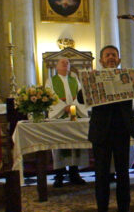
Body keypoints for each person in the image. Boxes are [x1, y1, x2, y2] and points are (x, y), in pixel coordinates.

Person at [88, 45, 134, 212]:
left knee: (123, 174)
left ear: (119, 60)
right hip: (100, 132)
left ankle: (124, 208)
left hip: (122, 131)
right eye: (107, 55)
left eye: (114, 55)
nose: (111, 58)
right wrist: (89, 83)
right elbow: (82, 97)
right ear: (101, 60)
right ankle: (102, 208)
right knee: (101, 174)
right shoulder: (93, 77)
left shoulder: (128, 77)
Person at [45, 58, 89, 188]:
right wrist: (63, 107)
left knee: (75, 144)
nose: (65, 64)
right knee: (60, 145)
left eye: (67, 63)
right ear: (57, 66)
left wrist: (73, 107)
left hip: (74, 117)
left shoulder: (75, 80)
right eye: (62, 62)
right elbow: (50, 96)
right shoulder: (51, 81)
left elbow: (81, 95)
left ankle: (74, 173)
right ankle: (59, 175)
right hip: (59, 117)